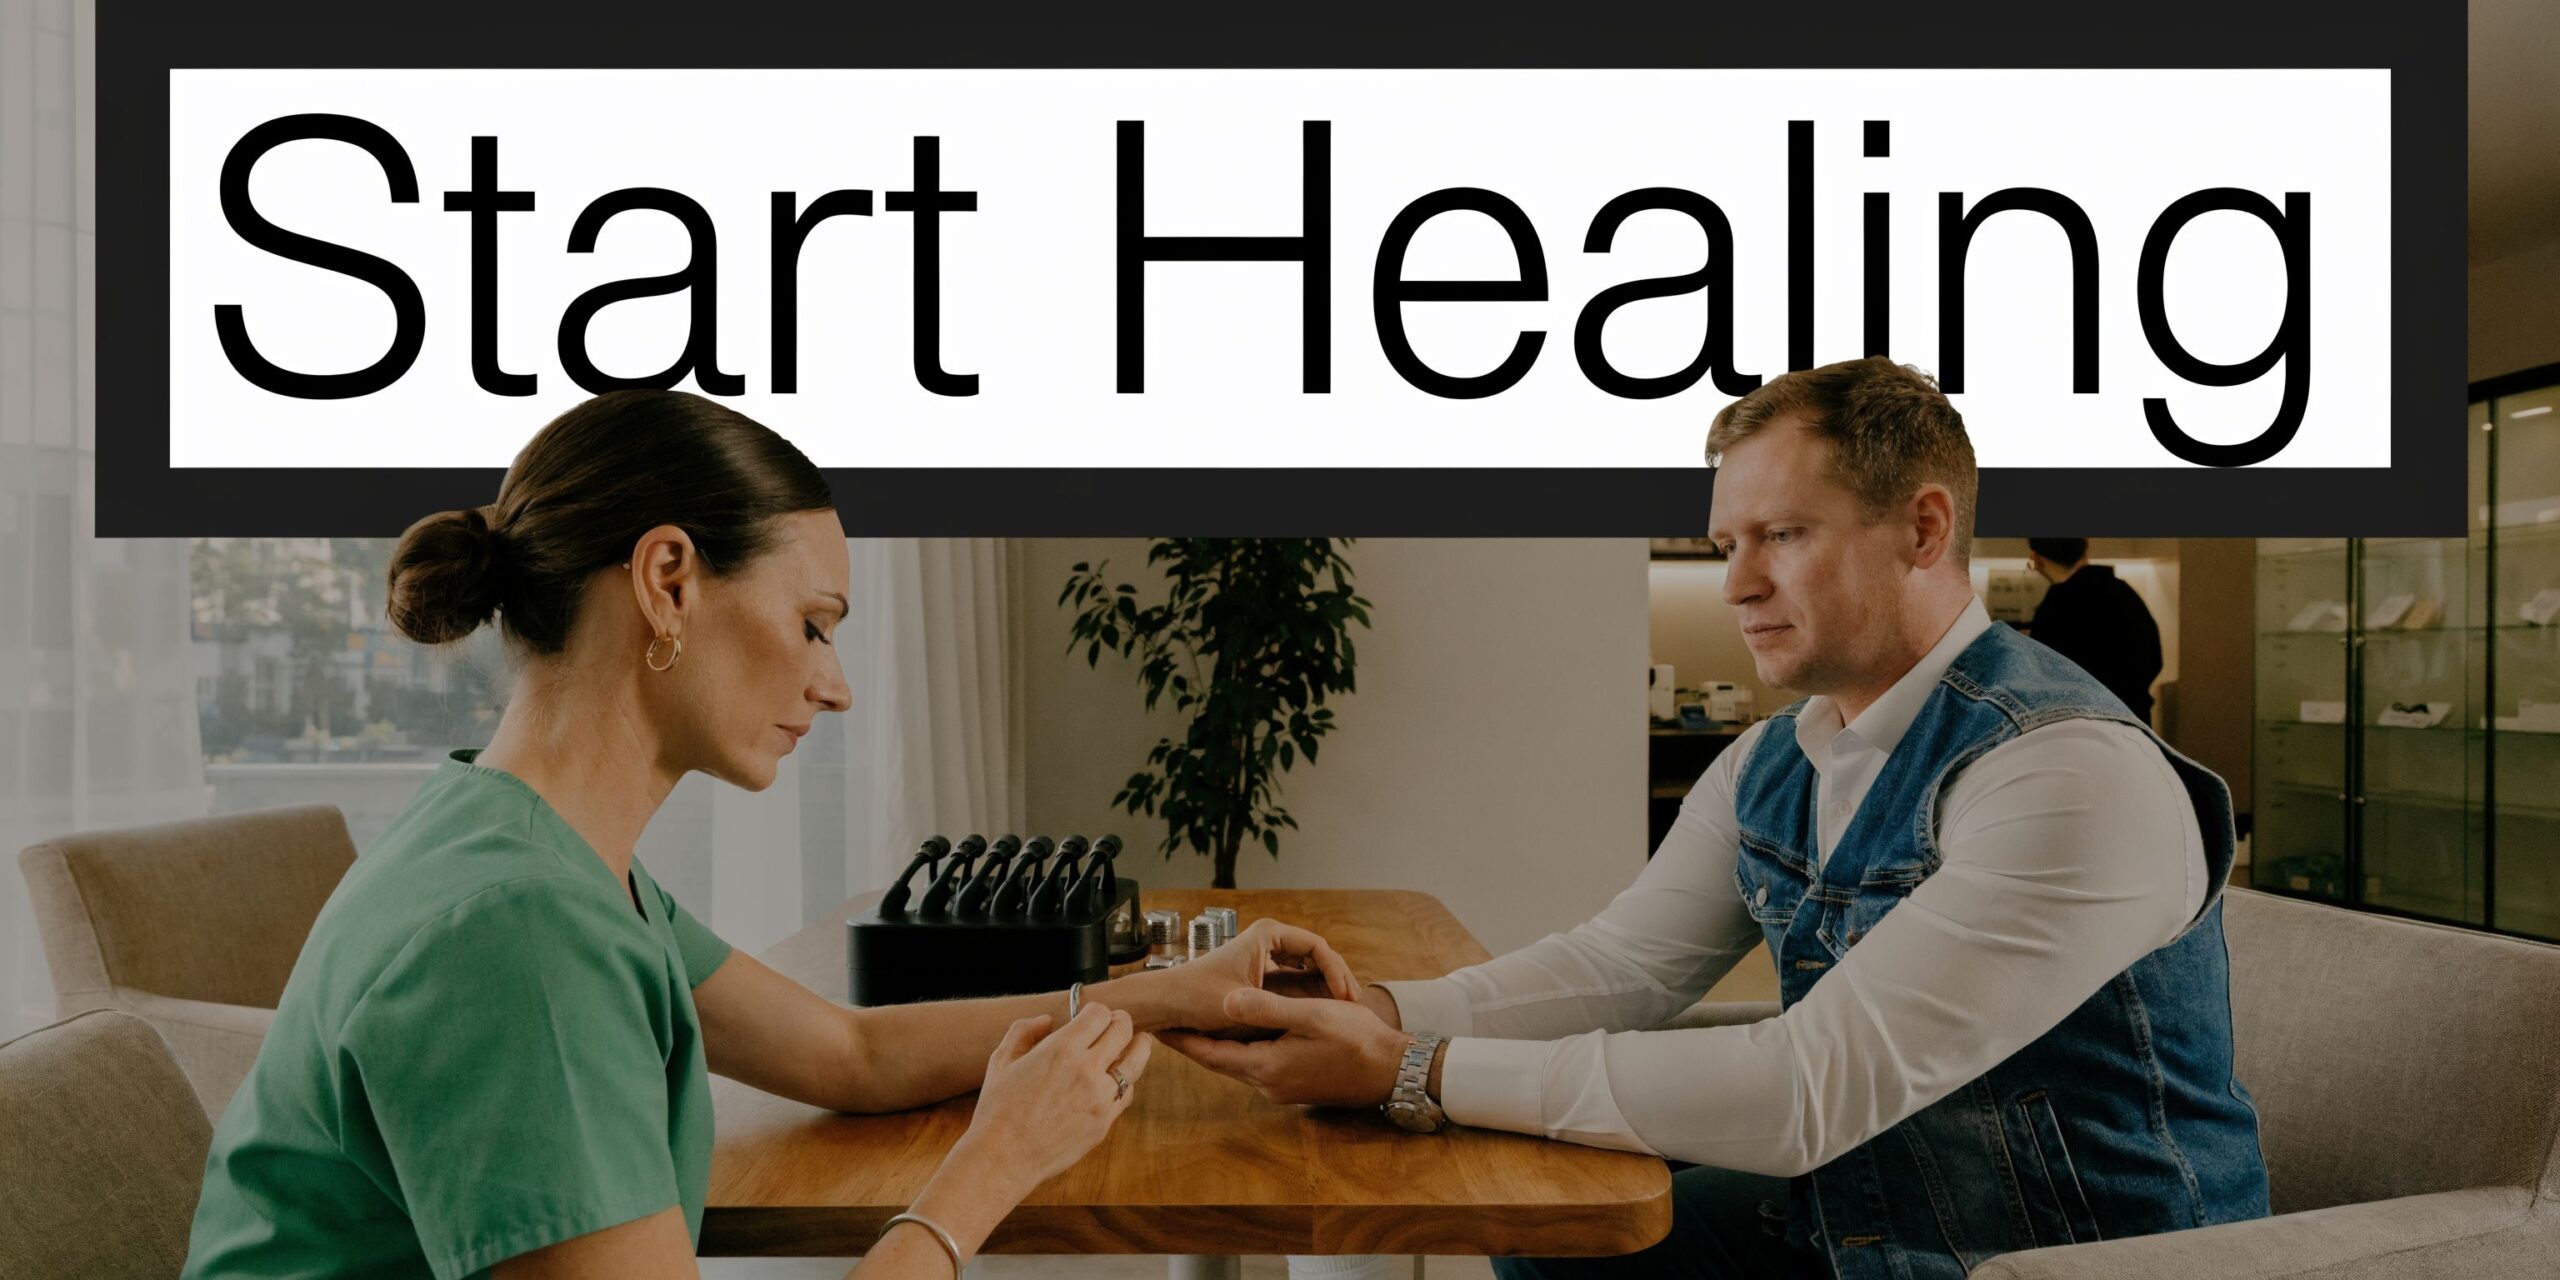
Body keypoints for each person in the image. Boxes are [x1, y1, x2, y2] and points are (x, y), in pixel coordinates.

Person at [182, 390, 1357, 1280]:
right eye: (811, 624)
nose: (834, 685)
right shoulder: (515, 930)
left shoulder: (532, 852)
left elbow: (850, 1054)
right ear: (667, 581)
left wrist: (1170, 994)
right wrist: (993, 1164)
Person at [1162, 358, 2268, 1280]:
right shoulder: (1779, 756)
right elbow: (1624, 961)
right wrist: (1369, 1003)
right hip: (1868, 1222)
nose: (1735, 582)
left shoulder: (2067, 771)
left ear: (1923, 528)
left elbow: (1803, 1086)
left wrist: (1412, 1067)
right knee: (1544, 1237)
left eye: (1778, 533)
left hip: (2055, 1258)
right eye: (1724, 540)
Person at [2023, 536, 2164, 725]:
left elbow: (2042, 674)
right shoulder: (2123, 593)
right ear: (2086, 546)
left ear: (2037, 559)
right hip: (2133, 722)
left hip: (2078, 727)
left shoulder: (2056, 606)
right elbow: (2153, 658)